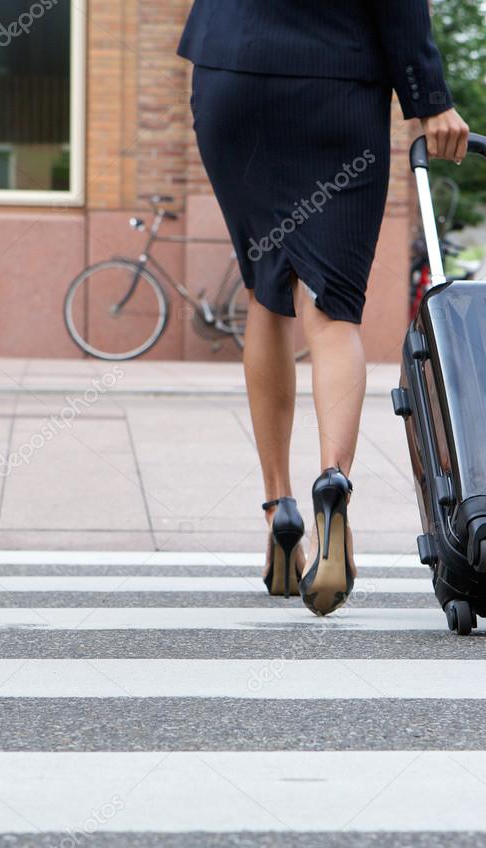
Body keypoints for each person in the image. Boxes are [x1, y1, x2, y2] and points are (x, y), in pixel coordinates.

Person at [177, 1, 469, 615]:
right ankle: (332, 483)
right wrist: (430, 99)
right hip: (335, 83)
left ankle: (278, 509)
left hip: (230, 74)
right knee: (332, 311)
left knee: (266, 294)